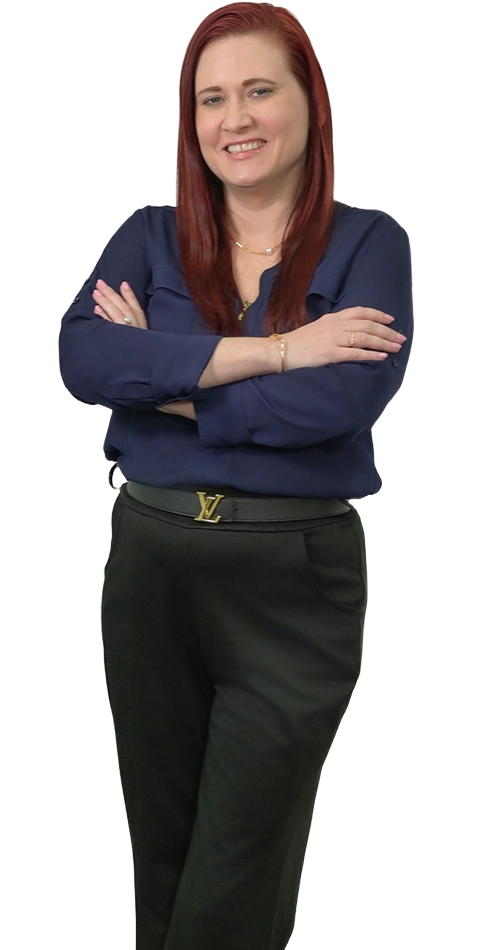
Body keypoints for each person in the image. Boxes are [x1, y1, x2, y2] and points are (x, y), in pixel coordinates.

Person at [59, 3, 413, 948]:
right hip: (151, 562)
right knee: (164, 862)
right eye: (210, 98)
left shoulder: (370, 243)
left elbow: (336, 406)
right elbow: (85, 362)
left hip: (288, 577)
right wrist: (280, 352)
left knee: (234, 879)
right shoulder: (148, 235)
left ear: (309, 102)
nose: (234, 118)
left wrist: (163, 377)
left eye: (259, 90)